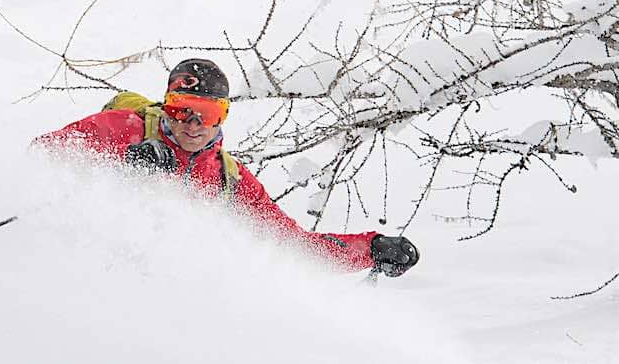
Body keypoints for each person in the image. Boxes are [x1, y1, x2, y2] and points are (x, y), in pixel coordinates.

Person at [35, 58, 419, 276]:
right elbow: (40, 159)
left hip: (160, 296)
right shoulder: (124, 129)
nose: (192, 124)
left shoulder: (228, 179)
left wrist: (370, 249)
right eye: (181, 109)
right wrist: (121, 163)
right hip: (83, 270)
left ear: (224, 116)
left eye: (207, 113)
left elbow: (292, 246)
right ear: (166, 105)